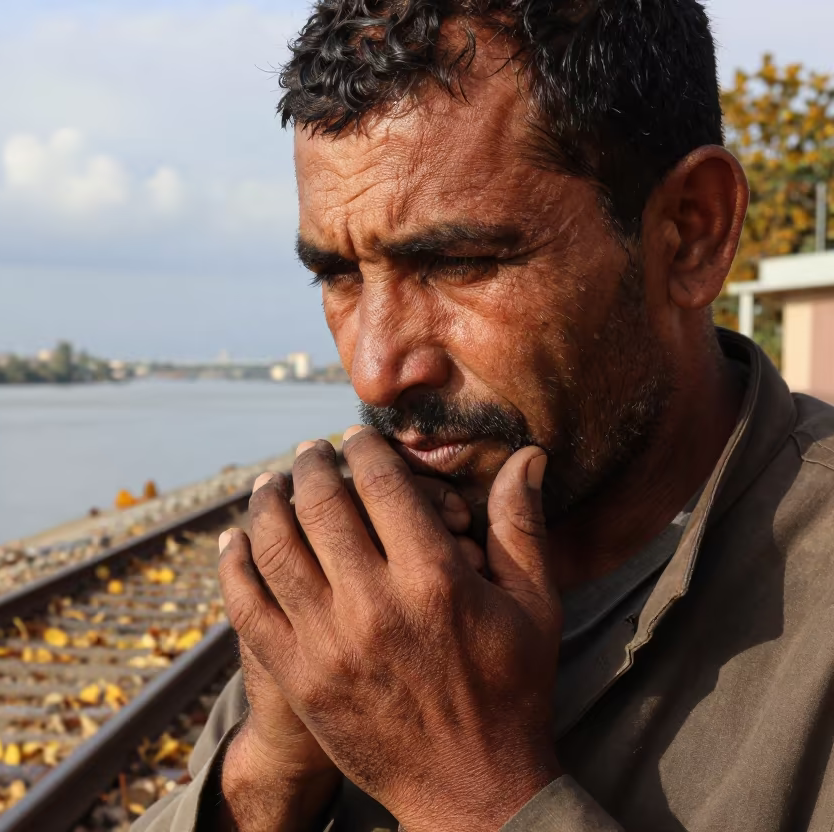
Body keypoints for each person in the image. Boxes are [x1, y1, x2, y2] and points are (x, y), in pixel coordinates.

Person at [135, 0, 834, 830]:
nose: (377, 368)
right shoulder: (377, 561)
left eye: (459, 263)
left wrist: (470, 790)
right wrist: (266, 777)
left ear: (689, 233)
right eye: (338, 275)